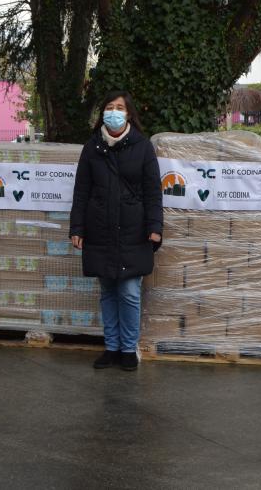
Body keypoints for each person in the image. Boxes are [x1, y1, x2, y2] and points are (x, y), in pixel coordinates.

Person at [70, 91, 163, 371]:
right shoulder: (92, 148)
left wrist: (155, 227)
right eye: (109, 107)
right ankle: (111, 347)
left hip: (134, 230)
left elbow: (153, 191)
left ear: (129, 113)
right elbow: (81, 191)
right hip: (100, 229)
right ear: (103, 113)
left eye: (120, 107)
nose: (114, 112)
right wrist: (77, 227)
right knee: (108, 291)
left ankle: (128, 349)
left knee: (130, 292)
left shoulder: (143, 147)